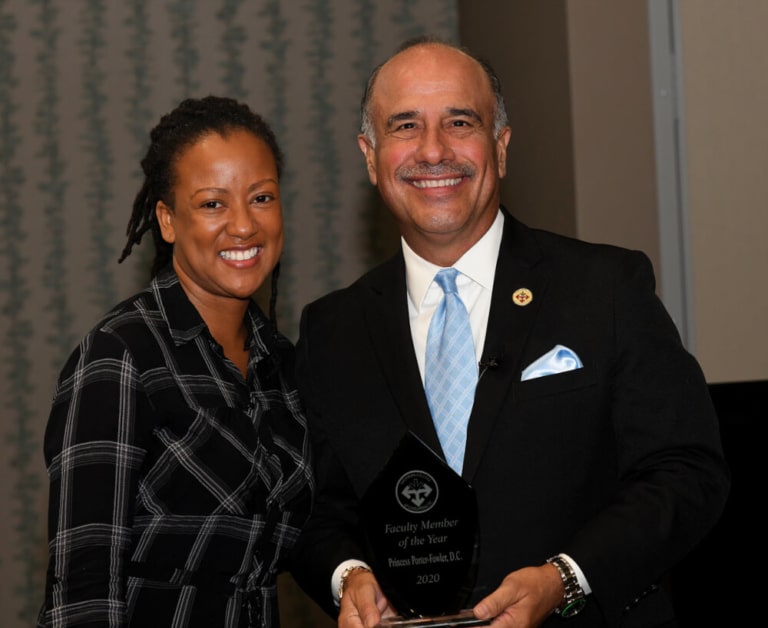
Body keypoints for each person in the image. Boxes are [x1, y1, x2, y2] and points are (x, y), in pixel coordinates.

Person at [288, 37, 729, 628]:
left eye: (460, 122)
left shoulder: (605, 288)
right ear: (371, 157)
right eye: (406, 126)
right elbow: (317, 511)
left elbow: (687, 470)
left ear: (500, 145)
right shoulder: (330, 330)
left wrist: (566, 578)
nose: (433, 150)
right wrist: (349, 576)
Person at [38, 96, 313, 627]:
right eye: (213, 204)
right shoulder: (121, 355)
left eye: (261, 197)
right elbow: (83, 593)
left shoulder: (282, 364)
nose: (243, 225)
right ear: (167, 220)